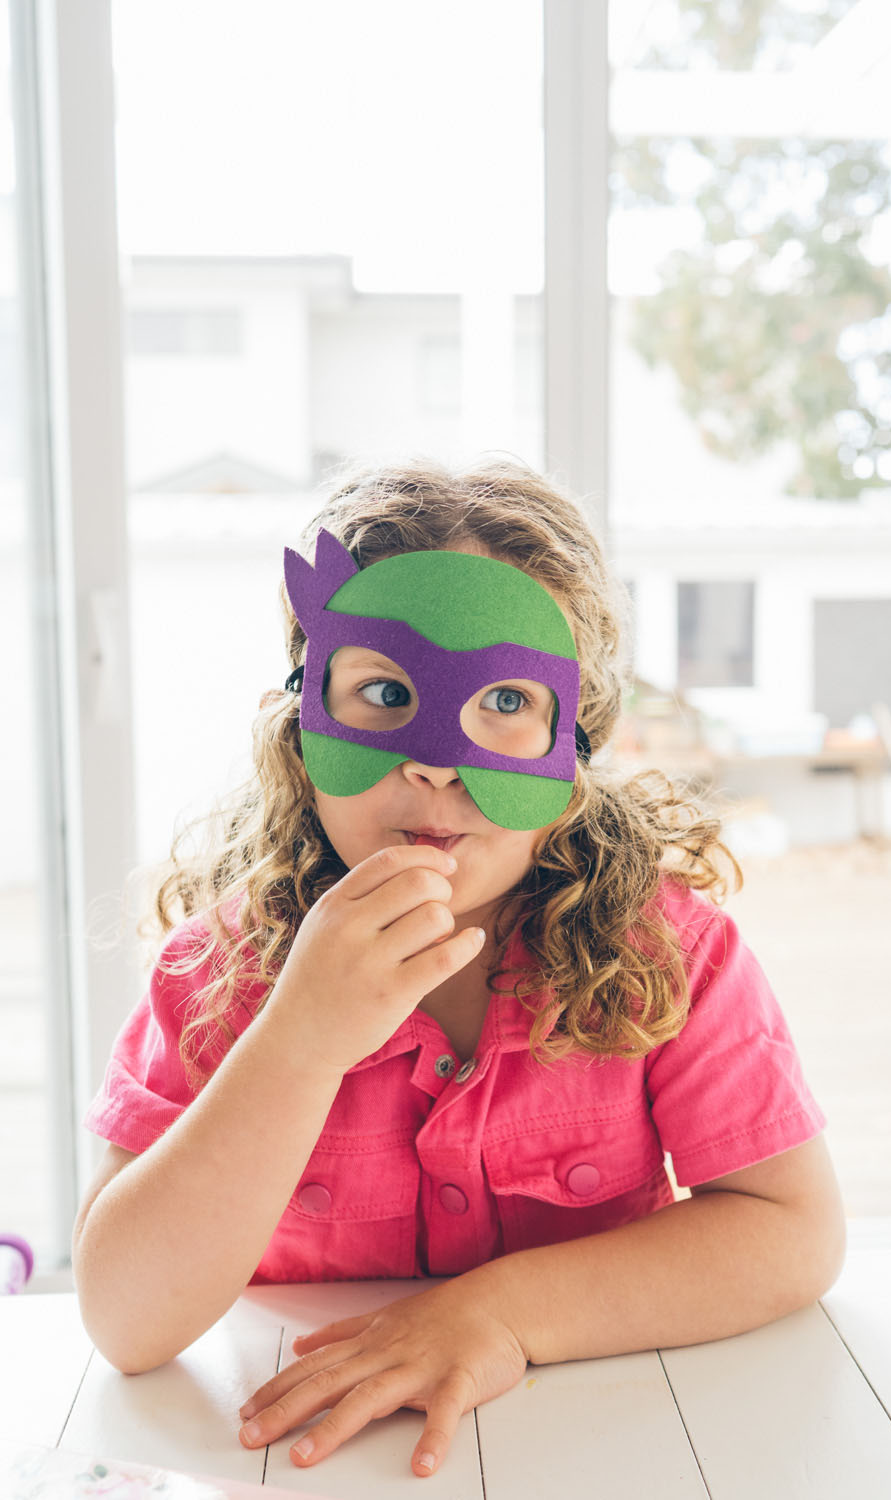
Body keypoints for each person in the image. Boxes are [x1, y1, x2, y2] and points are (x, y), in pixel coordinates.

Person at [73, 457, 845, 1480]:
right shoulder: (214, 972)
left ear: (573, 749)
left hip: (606, 1448)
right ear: (302, 729)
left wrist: (502, 1313)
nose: (435, 761)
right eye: (384, 691)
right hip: (295, 1455)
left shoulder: (668, 955)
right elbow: (125, 1323)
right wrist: (297, 1042)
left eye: (505, 701)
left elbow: (789, 1231)